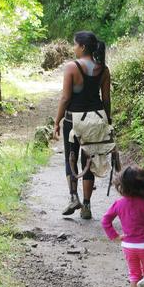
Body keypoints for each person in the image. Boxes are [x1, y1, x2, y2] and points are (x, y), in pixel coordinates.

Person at [54, 31, 111, 220]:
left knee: (71, 158)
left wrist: (57, 121)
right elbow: (106, 99)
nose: (74, 48)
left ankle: (73, 197)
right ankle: (87, 205)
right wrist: (107, 120)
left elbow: (65, 97)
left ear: (83, 47)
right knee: (89, 160)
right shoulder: (103, 69)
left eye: (75, 45)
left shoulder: (72, 67)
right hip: (95, 120)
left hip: (74, 120)